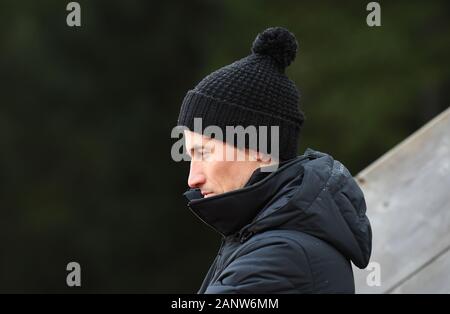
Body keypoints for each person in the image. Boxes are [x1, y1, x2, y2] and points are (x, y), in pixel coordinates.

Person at [176, 27, 372, 293]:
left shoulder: (281, 258)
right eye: (190, 156)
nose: (193, 178)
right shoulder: (266, 237)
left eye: (204, 152)